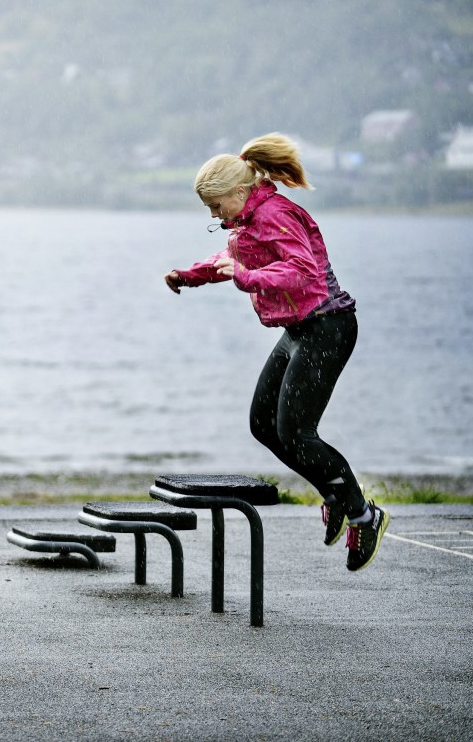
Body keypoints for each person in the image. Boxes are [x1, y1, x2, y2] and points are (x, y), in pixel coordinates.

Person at [164, 134, 389, 572]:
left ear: (238, 192)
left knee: (297, 432)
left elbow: (302, 272)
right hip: (299, 329)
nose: (213, 215)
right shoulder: (246, 222)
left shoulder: (275, 213)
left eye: (215, 205)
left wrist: (247, 277)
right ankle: (334, 492)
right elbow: (229, 260)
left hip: (327, 326)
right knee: (263, 424)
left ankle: (364, 514)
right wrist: (188, 276)